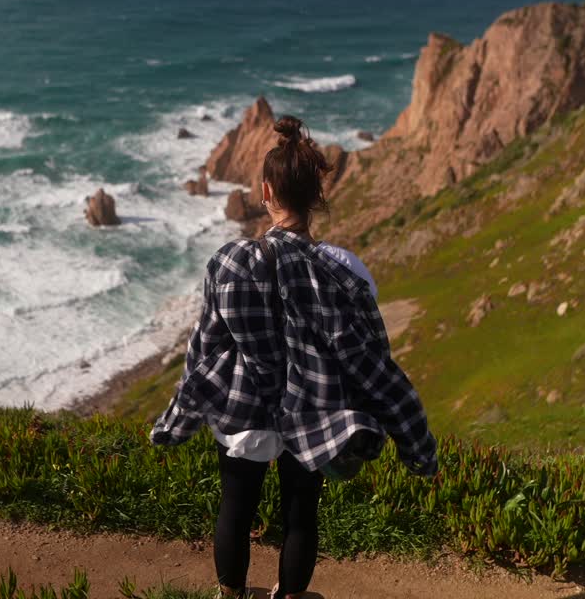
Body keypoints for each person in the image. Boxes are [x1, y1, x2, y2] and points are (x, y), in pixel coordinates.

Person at [151, 115, 437, 599]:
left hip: (242, 410)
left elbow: (204, 346)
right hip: (314, 416)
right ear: (317, 195)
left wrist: (179, 416)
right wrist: (415, 445)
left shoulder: (229, 262)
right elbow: (372, 359)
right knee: (301, 513)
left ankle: (232, 595)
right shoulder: (345, 269)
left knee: (235, 508)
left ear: (265, 192)